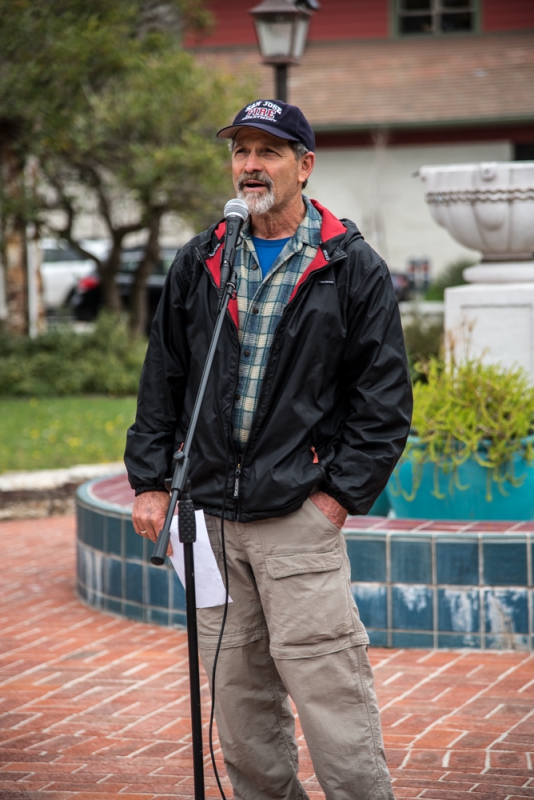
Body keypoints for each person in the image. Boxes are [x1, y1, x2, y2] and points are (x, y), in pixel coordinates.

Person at [125, 99, 412, 800]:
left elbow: (384, 403)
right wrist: (152, 481)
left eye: (269, 152)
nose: (250, 166)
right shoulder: (203, 258)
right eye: (241, 152)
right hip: (209, 523)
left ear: (305, 166)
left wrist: (334, 500)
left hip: (297, 519)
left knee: (330, 694)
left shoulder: (351, 267)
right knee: (239, 699)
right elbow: (163, 377)